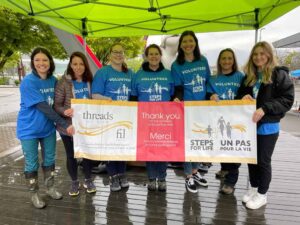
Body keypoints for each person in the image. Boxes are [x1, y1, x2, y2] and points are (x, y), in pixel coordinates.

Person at [237, 41, 294, 209]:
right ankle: (254, 188)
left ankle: (262, 194)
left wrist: (265, 108)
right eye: (255, 54)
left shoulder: (279, 74)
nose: (258, 57)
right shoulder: (250, 76)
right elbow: (242, 93)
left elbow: (287, 99)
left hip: (268, 126)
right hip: (250, 125)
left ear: (269, 55)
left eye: (262, 53)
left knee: (263, 160)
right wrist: (244, 97)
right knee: (251, 159)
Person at [17, 47, 74, 209]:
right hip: (29, 130)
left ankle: (50, 188)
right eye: (37, 60)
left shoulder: (53, 81)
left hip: (48, 129)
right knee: (31, 163)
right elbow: (45, 108)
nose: (41, 63)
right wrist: (65, 124)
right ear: (33, 63)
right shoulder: (28, 82)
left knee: (50, 160)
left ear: (50, 62)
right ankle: (34, 194)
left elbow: (57, 105)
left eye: (45, 60)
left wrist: (67, 111)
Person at [131, 44, 174, 192]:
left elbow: (175, 94)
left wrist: (175, 99)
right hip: (145, 119)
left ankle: (162, 178)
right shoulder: (139, 74)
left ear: (160, 56)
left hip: (164, 119)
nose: (154, 57)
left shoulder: (169, 74)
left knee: (163, 149)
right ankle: (151, 178)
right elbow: (133, 97)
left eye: (156, 54)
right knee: (149, 149)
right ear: (146, 56)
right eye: (151, 54)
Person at [171, 30, 210, 193]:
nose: (188, 44)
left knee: (199, 140)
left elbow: (207, 81)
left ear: (195, 43)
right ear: (180, 45)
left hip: (202, 108)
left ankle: (195, 171)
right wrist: (177, 98)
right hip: (186, 109)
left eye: (191, 41)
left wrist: (212, 94)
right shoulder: (176, 65)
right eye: (184, 41)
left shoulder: (203, 60)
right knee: (187, 143)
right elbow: (178, 88)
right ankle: (188, 176)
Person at [54, 51, 96, 196]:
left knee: (87, 154)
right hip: (68, 127)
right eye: (75, 64)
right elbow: (56, 105)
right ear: (70, 65)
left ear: (85, 65)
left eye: (81, 64)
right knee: (71, 155)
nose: (78, 67)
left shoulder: (90, 81)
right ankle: (74, 182)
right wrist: (65, 111)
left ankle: (88, 179)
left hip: (86, 126)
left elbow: (95, 100)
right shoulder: (63, 82)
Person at [91, 43, 132, 192]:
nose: (118, 55)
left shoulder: (130, 73)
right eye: (115, 52)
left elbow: (134, 94)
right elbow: (94, 94)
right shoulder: (103, 72)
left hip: (126, 117)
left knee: (123, 147)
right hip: (108, 117)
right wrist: (106, 99)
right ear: (110, 55)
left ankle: (122, 174)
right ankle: (113, 176)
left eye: (121, 52)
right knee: (110, 147)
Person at [206, 48, 244, 194]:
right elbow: (207, 95)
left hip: (236, 120)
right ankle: (224, 169)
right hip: (219, 119)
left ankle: (230, 182)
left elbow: (246, 93)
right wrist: (210, 96)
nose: (226, 61)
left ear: (233, 61)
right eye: (223, 58)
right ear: (219, 61)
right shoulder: (214, 79)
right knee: (222, 146)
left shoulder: (241, 77)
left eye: (229, 58)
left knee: (233, 149)